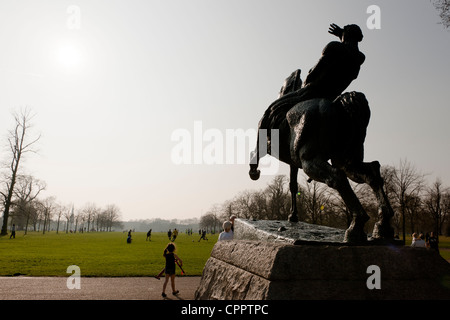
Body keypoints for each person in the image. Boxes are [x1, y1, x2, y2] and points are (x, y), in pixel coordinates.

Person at [250, 23, 365, 171]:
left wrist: (308, 79)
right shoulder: (359, 58)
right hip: (332, 96)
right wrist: (342, 35)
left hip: (312, 91)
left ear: (345, 35)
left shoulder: (334, 47)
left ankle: (255, 159)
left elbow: (316, 71)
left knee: (271, 111)